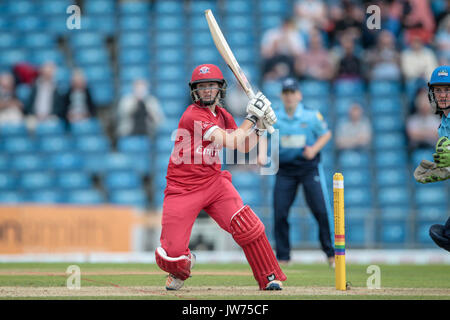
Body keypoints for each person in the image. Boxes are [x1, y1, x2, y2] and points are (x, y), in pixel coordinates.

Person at [154, 64, 285, 291]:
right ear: (195, 91)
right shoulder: (193, 115)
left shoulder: (222, 115)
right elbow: (231, 141)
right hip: (182, 188)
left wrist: (260, 127)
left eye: (211, 86)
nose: (206, 90)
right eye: (202, 86)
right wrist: (254, 116)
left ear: (220, 89)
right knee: (171, 256)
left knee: (247, 226)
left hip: (214, 182)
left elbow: (244, 146)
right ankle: (182, 267)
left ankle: (269, 277)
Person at [271, 77, 334, 267]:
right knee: (280, 213)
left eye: (292, 93)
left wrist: (314, 149)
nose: (289, 97)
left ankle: (331, 254)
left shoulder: (311, 116)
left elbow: (326, 134)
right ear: (282, 96)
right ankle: (283, 257)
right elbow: (265, 135)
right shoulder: (274, 117)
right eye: (286, 93)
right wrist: (262, 154)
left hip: (308, 168)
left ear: (299, 95)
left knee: (321, 211)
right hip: (285, 169)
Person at [413, 65, 450, 252]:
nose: (443, 95)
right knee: (443, 234)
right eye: (438, 90)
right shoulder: (443, 125)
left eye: (447, 90)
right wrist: (442, 170)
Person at [24, 61, 64, 129]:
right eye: (45, 72)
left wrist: (49, 115)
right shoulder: (35, 86)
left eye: (50, 72)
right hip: (35, 116)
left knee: (53, 124)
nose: (47, 74)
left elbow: (60, 106)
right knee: (29, 124)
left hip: (51, 116)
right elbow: (29, 104)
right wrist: (35, 114)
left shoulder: (58, 88)